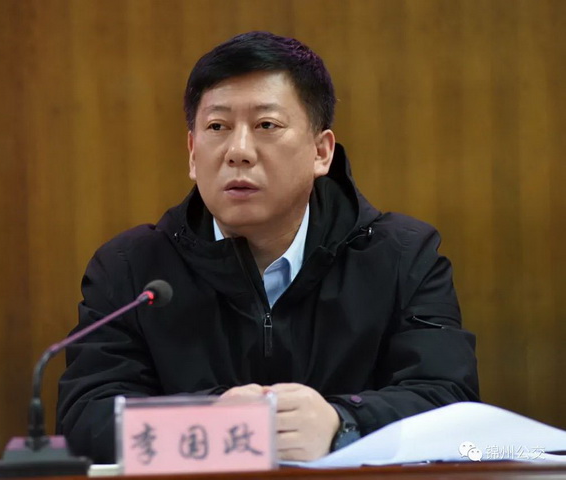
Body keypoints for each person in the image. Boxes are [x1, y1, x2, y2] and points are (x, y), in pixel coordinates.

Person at [56, 31, 479, 464]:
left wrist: (342, 423)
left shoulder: (403, 257)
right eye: (217, 127)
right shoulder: (130, 269)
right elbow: (85, 417)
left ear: (321, 152)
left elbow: (449, 400)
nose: (238, 151)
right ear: (192, 152)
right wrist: (204, 420)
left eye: (266, 126)